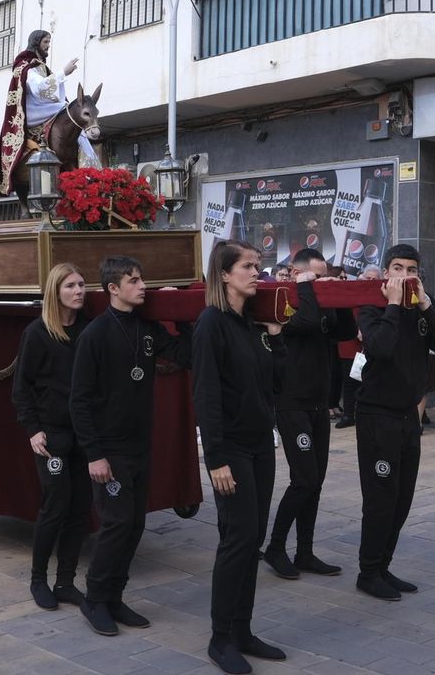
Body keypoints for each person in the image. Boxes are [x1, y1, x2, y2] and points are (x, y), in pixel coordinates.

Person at [69, 255, 190, 636]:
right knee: (117, 523)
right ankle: (94, 599)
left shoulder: (148, 327)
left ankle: (114, 596)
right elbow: (79, 401)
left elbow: (184, 355)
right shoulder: (95, 334)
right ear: (113, 289)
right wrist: (95, 454)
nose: (142, 287)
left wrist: (183, 313)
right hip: (109, 449)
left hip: (139, 446)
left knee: (135, 523)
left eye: (142, 280)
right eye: (134, 281)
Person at [193, 241, 288, 674]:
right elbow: (206, 395)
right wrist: (214, 459)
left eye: (258, 265)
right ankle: (220, 638)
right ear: (225, 274)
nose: (257, 273)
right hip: (228, 449)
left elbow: (276, 384)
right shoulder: (212, 323)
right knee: (237, 539)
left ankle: (243, 630)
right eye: (248, 266)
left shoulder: (252, 324)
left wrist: (276, 339)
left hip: (258, 446)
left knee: (253, 540)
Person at [352, 243, 435, 601]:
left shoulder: (422, 308)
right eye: (397, 268)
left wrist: (426, 306)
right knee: (380, 497)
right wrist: (394, 305)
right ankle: (368, 572)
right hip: (376, 414)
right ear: (386, 272)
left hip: (408, 415)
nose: (403, 275)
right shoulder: (372, 305)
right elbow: (380, 348)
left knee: (402, 497)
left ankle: (383, 566)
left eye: (410, 269)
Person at [263, 248, 352, 581]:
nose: (323, 282)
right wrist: (305, 288)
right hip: (291, 403)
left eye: (326, 275)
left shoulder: (320, 301)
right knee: (304, 480)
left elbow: (342, 333)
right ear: (297, 274)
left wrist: (336, 294)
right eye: (317, 276)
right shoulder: (283, 302)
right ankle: (275, 547)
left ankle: (305, 551)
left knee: (316, 481)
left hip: (318, 403)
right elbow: (307, 321)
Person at [12, 263, 92, 611]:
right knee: (55, 505)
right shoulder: (38, 333)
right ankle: (38, 578)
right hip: (51, 436)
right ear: (55, 292)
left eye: (81, 285)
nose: (79, 291)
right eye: (71, 286)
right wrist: (32, 429)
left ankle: (65, 582)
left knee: (79, 509)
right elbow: (21, 387)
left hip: (84, 435)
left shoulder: (89, 332)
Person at [0, 30, 99, 197]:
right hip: (31, 111)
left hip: (42, 108)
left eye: (49, 42)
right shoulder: (26, 65)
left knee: (71, 115)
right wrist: (64, 72)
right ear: (36, 42)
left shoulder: (39, 65)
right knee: (68, 110)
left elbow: (51, 91)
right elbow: (39, 88)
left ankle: (91, 167)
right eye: (45, 42)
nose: (48, 46)